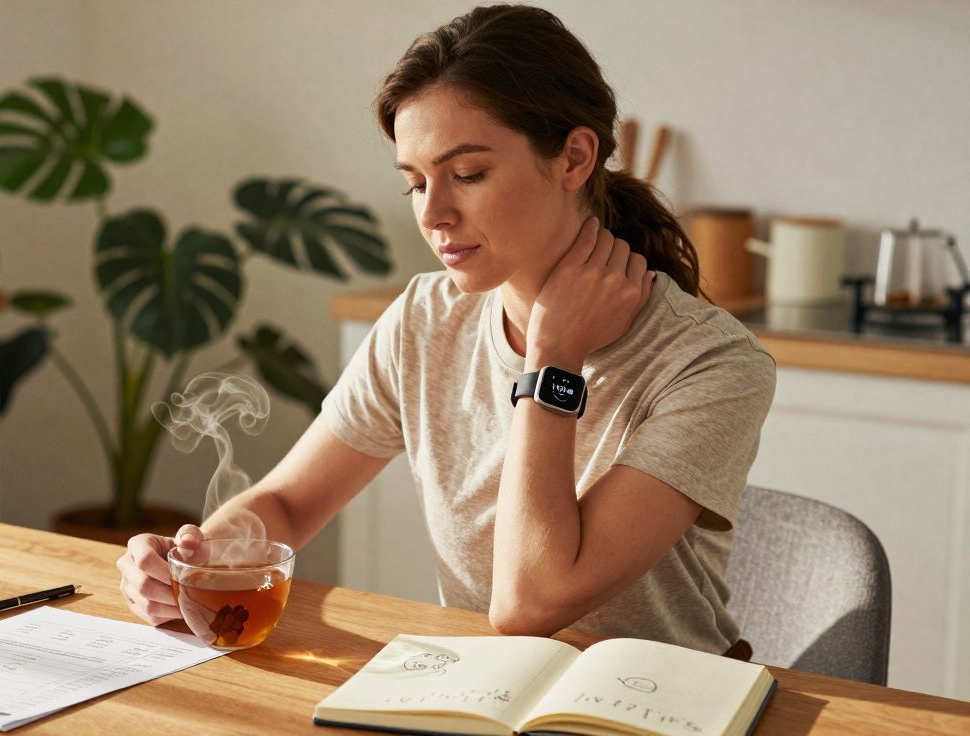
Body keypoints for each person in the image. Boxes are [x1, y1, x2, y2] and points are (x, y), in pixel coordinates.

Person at [118, 4, 775, 657]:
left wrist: (552, 358)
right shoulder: (424, 320)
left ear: (574, 158)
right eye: (415, 183)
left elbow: (529, 603)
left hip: (662, 701)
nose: (433, 214)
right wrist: (198, 562)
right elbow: (287, 505)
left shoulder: (712, 363)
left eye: (467, 175)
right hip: (479, 690)